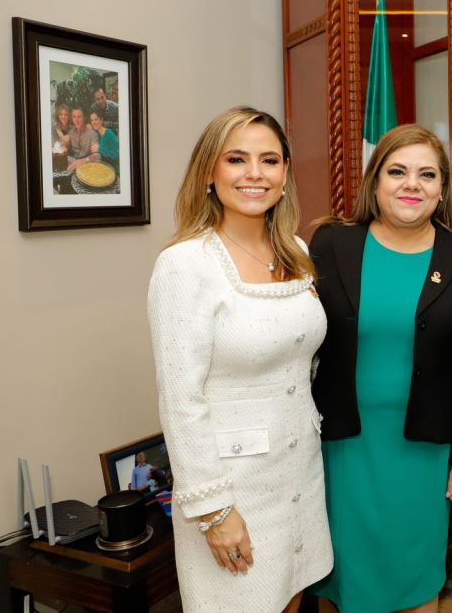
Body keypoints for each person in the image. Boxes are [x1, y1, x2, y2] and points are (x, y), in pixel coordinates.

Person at [147, 106, 332, 612]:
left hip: (298, 475)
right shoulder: (186, 264)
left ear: (285, 174)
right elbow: (181, 401)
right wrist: (214, 511)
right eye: (237, 159)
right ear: (210, 172)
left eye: (269, 160)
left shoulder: (294, 250)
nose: (255, 173)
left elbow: (303, 363)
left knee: (292, 598)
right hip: (234, 492)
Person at [308, 123, 452, 613]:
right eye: (398, 171)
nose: (412, 184)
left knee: (415, 574)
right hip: (342, 445)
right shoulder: (330, 245)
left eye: (427, 174)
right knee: (343, 577)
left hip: (422, 448)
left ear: (442, 189)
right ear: (375, 181)